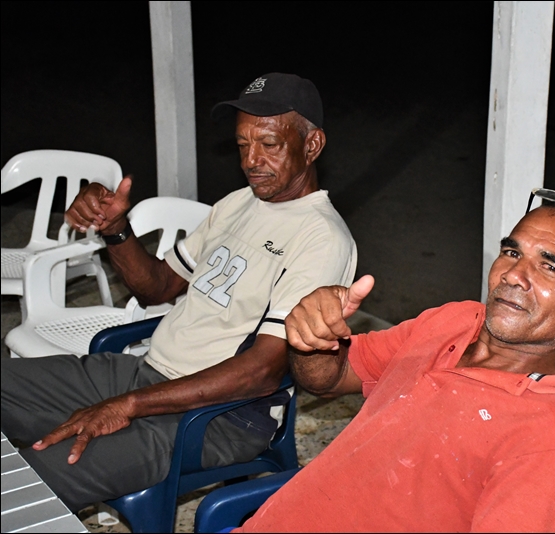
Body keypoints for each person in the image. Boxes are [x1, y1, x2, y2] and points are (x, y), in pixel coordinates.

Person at [0, 73, 357, 512]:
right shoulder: (238, 203)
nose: (251, 160)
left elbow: (261, 371)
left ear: (312, 145)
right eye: (243, 144)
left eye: (269, 144)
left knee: (25, 485)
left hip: (217, 418)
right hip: (146, 373)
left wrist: (129, 405)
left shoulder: (321, 238)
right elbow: (158, 286)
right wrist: (116, 229)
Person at [239, 189, 555, 532]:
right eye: (512, 252)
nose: (513, 275)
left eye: (550, 266)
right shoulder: (454, 320)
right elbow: (331, 377)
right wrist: (313, 338)